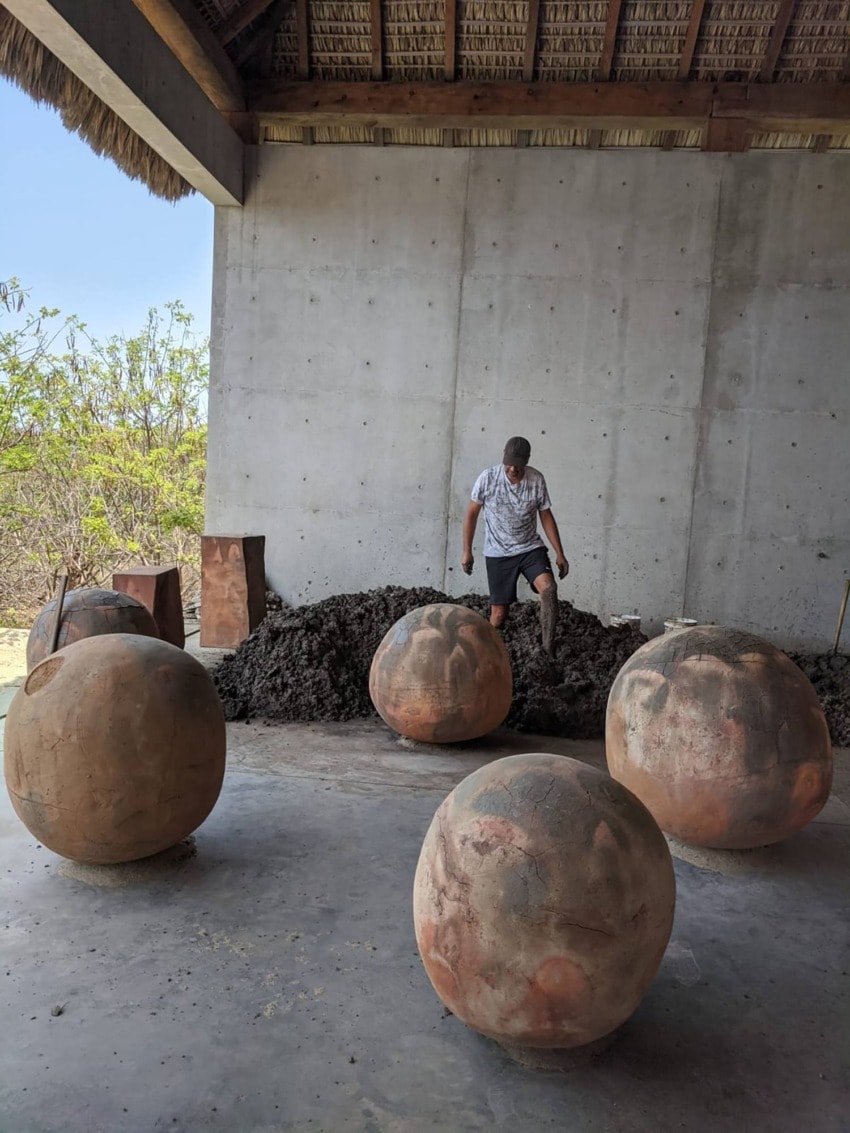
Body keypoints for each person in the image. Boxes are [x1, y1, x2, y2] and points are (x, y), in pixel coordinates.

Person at [461, 436, 568, 656]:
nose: (513, 469)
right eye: (509, 463)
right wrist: (466, 551)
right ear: (503, 456)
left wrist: (560, 553)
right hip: (498, 553)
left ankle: (548, 649)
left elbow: (546, 516)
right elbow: (472, 514)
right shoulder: (488, 478)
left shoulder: (536, 479)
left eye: (518, 465)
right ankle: (488, 654)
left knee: (549, 589)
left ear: (527, 461)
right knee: (499, 615)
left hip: (529, 548)